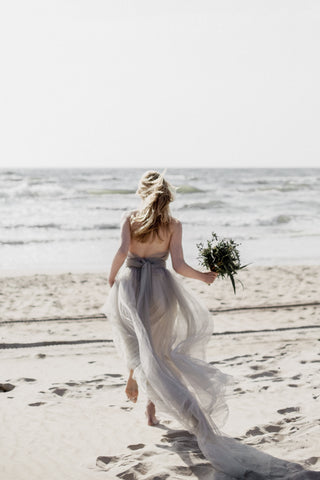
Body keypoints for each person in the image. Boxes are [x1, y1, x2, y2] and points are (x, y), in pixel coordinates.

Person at [102, 171, 313, 479]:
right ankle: (151, 404)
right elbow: (178, 265)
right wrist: (202, 276)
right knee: (159, 347)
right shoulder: (173, 225)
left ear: (142, 193)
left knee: (135, 338)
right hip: (162, 289)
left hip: (131, 285)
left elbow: (122, 252)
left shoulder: (130, 218)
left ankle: (134, 379)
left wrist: (111, 279)